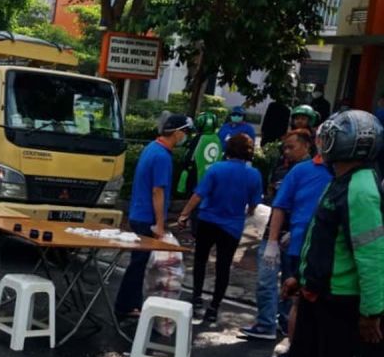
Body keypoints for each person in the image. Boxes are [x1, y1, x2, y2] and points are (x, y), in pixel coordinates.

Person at [246, 110, 384, 357]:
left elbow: (371, 255)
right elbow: (323, 242)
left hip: (341, 303)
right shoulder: (338, 178)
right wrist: (301, 279)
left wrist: (372, 312)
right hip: (315, 294)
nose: (325, 139)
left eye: (333, 135)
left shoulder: (361, 189)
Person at [240, 130, 319, 342]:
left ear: (307, 146)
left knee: (290, 284)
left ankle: (285, 322)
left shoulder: (319, 172)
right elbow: (276, 204)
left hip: (297, 238)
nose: (287, 151)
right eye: (285, 147)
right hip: (273, 235)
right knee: (266, 281)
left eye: (291, 147)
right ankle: (266, 322)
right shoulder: (280, 171)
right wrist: (273, 240)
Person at [115, 114, 195, 319]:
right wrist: (160, 223)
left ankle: (130, 303)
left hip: (138, 213)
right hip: (146, 217)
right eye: (184, 133)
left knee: (139, 261)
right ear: (177, 132)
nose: (184, 137)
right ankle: (126, 305)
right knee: (139, 262)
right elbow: (157, 191)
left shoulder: (152, 148)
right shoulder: (162, 156)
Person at [177, 134, 263, 324]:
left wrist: (184, 214)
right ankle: (214, 308)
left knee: (200, 259)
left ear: (228, 149)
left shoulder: (216, 169)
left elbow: (198, 195)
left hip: (208, 220)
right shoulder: (254, 175)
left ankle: (197, 297)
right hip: (232, 225)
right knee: (223, 266)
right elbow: (253, 205)